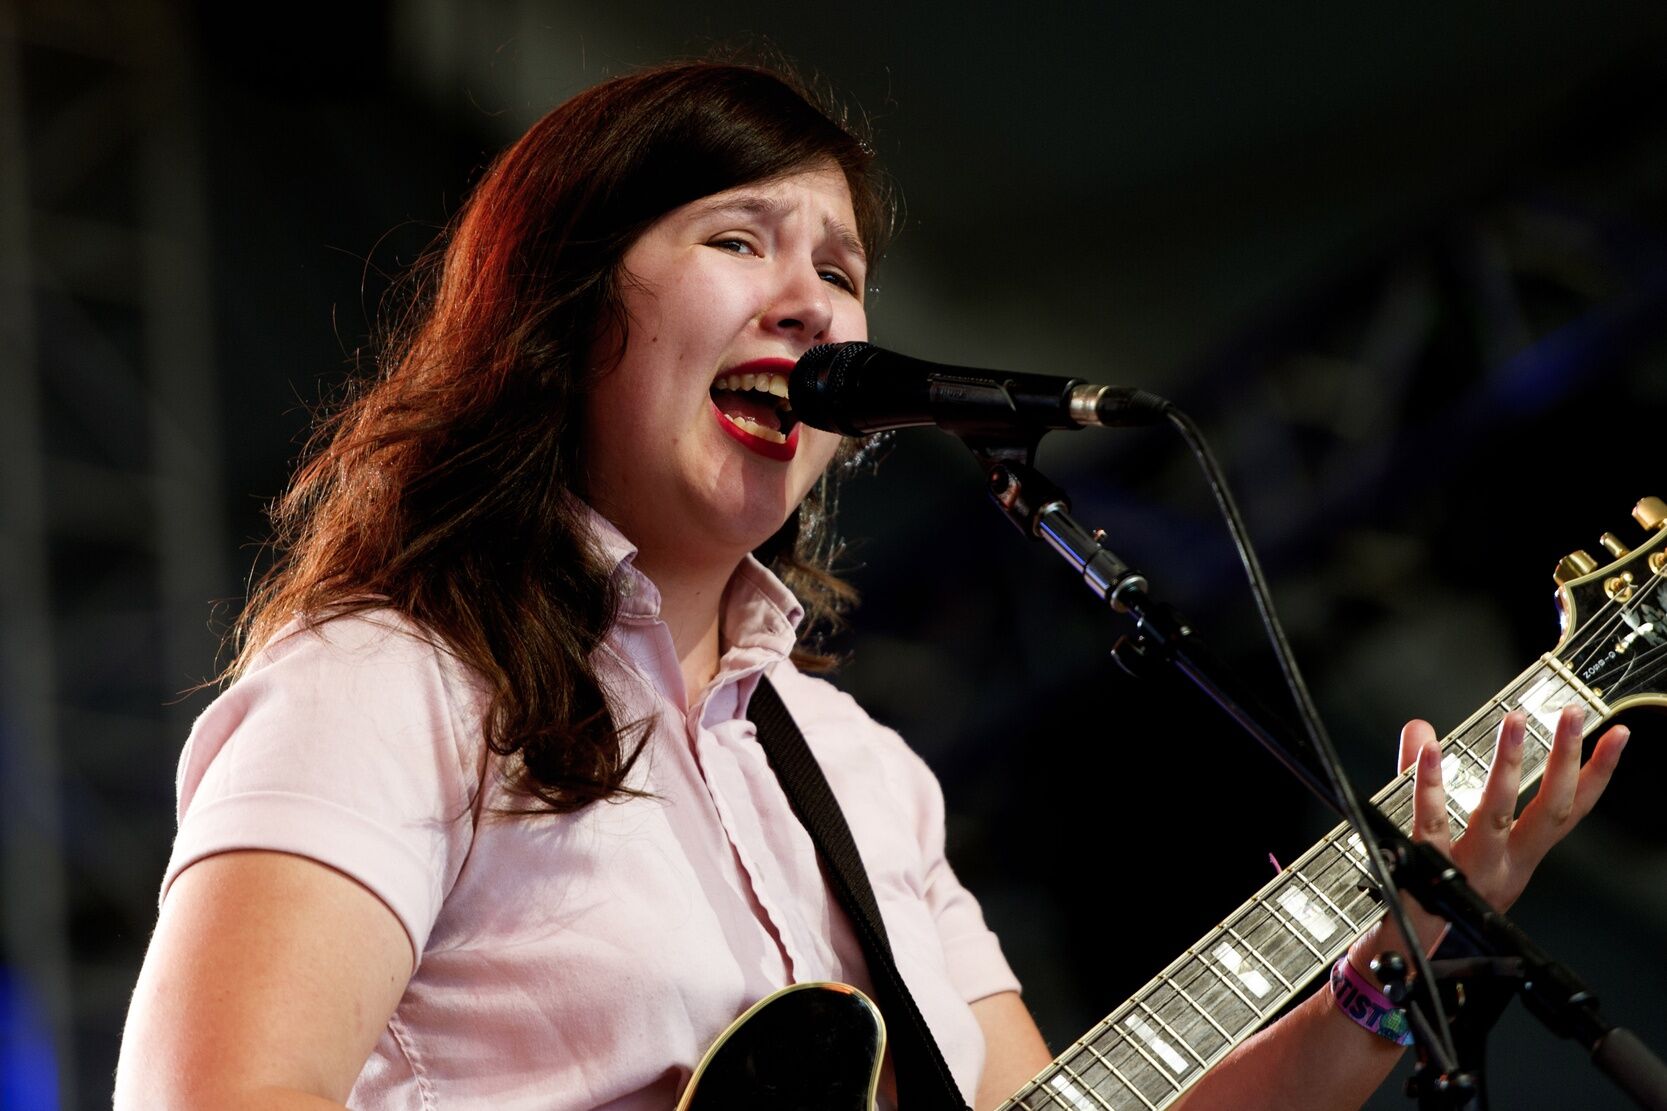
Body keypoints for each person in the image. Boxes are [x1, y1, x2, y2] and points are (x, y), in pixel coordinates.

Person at [113, 60, 1628, 1110]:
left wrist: (1397, 959)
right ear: (564, 314)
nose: (811, 297)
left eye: (839, 269)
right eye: (737, 237)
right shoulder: (395, 684)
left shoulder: (860, 776)